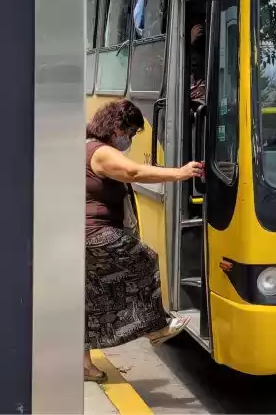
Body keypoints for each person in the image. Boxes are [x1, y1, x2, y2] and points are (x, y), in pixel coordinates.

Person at [83, 99, 204, 382]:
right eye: (131, 132)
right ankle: (155, 327)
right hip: (93, 233)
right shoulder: (101, 153)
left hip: (84, 235)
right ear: (117, 128)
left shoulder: (92, 147)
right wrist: (181, 173)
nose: (131, 139)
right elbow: (133, 172)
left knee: (88, 299)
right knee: (144, 258)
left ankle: (84, 365)